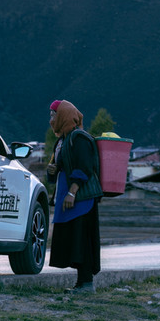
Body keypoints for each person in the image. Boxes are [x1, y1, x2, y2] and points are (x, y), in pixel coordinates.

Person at [46, 99, 101, 293]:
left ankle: (86, 284)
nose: (51, 120)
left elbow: (85, 167)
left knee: (82, 239)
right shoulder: (61, 141)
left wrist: (72, 192)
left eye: (54, 115)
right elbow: (60, 168)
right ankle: (80, 283)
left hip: (81, 198)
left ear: (63, 116)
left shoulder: (80, 139)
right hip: (68, 199)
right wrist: (53, 170)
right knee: (73, 239)